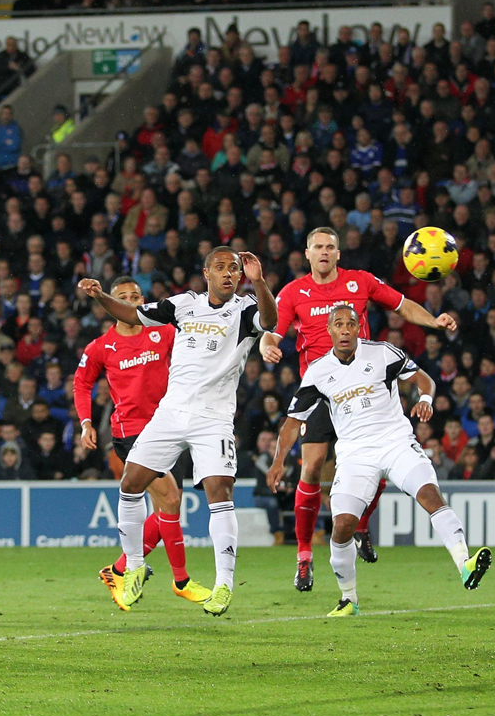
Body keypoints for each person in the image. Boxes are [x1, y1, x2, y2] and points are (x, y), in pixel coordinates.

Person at [77, 246, 276, 616]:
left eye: (234, 268)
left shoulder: (245, 309)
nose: (228, 273)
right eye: (221, 267)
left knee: (219, 491)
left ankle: (223, 585)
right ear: (206, 273)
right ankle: (134, 564)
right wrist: (101, 296)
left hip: (212, 417)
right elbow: (133, 314)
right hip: (169, 414)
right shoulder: (183, 304)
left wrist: (260, 282)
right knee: (130, 484)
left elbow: (271, 320)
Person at [257, 227, 457, 592]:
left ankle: (361, 524)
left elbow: (400, 304)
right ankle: (304, 555)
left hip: (364, 384)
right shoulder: (293, 292)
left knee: (380, 459)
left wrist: (434, 320)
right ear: (307, 253)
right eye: (317, 246)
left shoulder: (360, 282)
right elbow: (273, 330)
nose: (323, 252)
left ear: (337, 254)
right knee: (313, 466)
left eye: (330, 247)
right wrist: (266, 348)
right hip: (322, 390)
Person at [272, 305, 491, 616]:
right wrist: (278, 460)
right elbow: (293, 421)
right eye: (339, 324)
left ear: (360, 327)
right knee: (343, 525)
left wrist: (425, 400)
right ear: (330, 331)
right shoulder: (318, 372)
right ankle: (349, 599)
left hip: (396, 443)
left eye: (351, 323)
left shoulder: (383, 353)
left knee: (430, 495)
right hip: (354, 455)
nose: (346, 329)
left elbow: (424, 380)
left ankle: (464, 563)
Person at [73, 276, 213, 607]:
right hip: (130, 432)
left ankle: (121, 568)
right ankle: (180, 580)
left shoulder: (162, 333)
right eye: (124, 297)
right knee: (169, 496)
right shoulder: (100, 346)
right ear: (111, 304)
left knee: (170, 505)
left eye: (136, 296)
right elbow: (82, 384)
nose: (133, 301)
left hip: (169, 428)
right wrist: (86, 423)